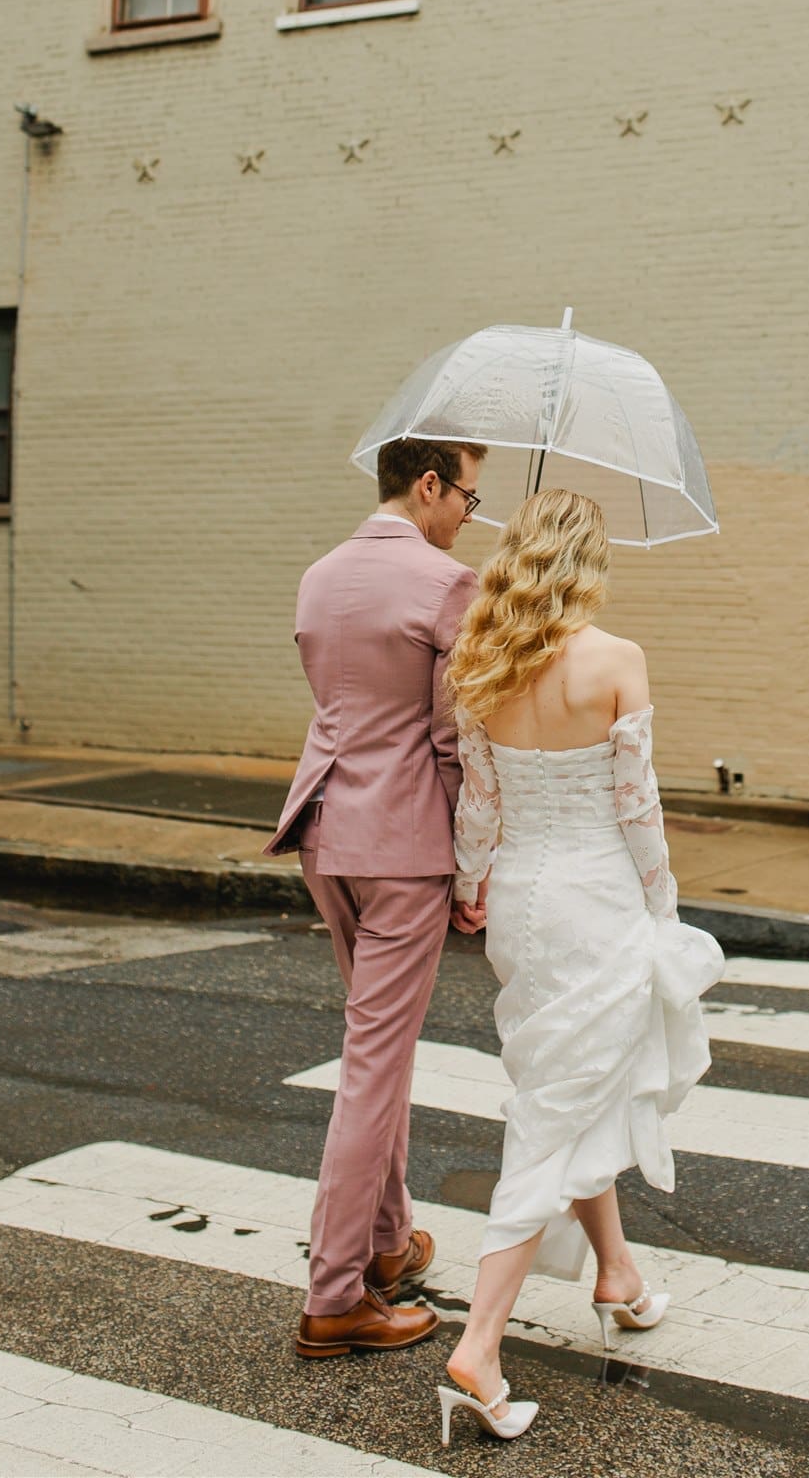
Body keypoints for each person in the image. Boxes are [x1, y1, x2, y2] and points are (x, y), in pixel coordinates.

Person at [436, 488, 723, 1445]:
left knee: (568, 1088)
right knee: (555, 1116)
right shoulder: (615, 660)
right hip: (598, 899)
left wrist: (472, 884)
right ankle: (478, 1346)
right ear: (588, 562)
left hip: (521, 896)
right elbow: (637, 808)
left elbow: (478, 805)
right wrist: (664, 908)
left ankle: (618, 1277)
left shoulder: (480, 660)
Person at [262, 436, 488, 1359]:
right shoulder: (447, 583)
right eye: (467, 498)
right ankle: (334, 1295)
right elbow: (450, 741)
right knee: (373, 1066)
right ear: (428, 484)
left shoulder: (319, 574)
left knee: (374, 1047)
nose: (466, 516)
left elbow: (333, 700)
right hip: (402, 846)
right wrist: (471, 869)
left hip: (325, 830)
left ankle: (388, 1244)